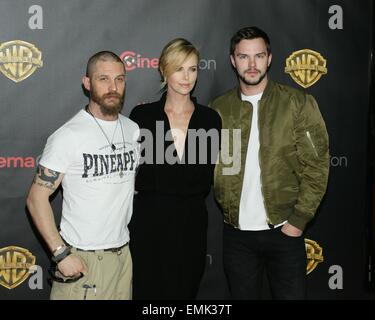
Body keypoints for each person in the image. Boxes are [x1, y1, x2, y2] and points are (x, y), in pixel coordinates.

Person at [210, 26, 330, 299]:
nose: (252, 65)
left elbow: (317, 165)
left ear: (270, 58)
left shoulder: (297, 103)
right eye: (243, 57)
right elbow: (217, 164)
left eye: (259, 56)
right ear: (232, 60)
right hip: (236, 236)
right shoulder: (219, 108)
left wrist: (297, 221)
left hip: (284, 231)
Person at [26, 51, 139, 300]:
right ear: (87, 83)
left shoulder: (132, 130)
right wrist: (61, 254)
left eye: (120, 79)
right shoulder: (68, 135)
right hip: (83, 259)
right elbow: (36, 199)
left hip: (122, 256)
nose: (113, 87)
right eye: (103, 79)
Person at [129, 38, 222, 299]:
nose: (186, 77)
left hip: (191, 223)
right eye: (179, 68)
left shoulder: (210, 119)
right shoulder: (142, 116)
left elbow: (205, 178)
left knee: (185, 292)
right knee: (147, 293)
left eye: (192, 69)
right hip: (149, 222)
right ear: (163, 70)